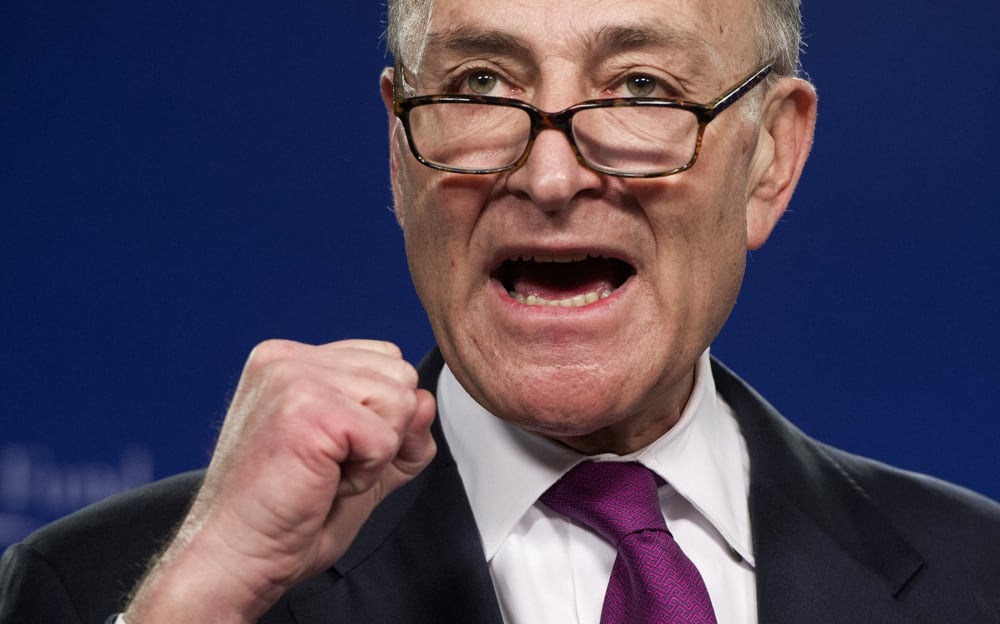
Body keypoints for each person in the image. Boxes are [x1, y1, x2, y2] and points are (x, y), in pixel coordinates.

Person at [2, 0, 999, 622]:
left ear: (771, 156)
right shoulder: (97, 590)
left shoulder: (976, 577)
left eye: (640, 88)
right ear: (399, 151)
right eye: (482, 84)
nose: (551, 172)